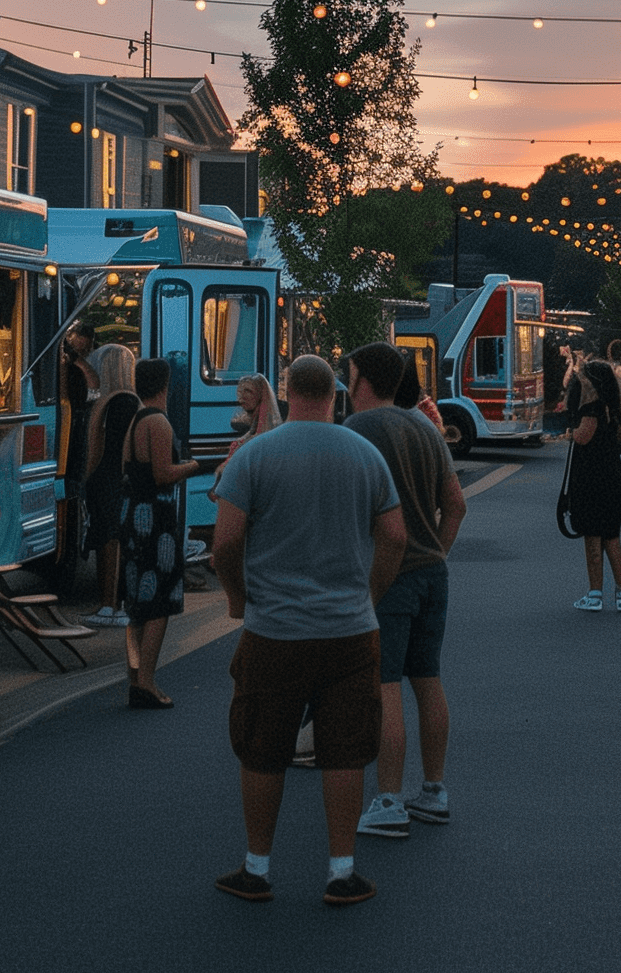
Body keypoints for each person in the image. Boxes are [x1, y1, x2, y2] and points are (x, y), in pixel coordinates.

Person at [210, 355, 406, 907]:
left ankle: (257, 868)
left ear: (288, 391)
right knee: (344, 751)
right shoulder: (364, 455)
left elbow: (225, 542)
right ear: (335, 394)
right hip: (349, 631)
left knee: (262, 747)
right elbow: (394, 534)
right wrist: (370, 594)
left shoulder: (254, 456)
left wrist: (237, 597)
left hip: (274, 629)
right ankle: (341, 870)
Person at [340, 343, 465, 839]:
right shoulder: (424, 428)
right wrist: (437, 550)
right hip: (432, 572)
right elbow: (455, 505)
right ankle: (433, 790)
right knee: (427, 679)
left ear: (365, 381)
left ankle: (388, 799)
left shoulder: (357, 432)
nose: (346, 388)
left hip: (387, 573)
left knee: (385, 684)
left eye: (350, 377)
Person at [119, 359, 204, 708]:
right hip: (155, 522)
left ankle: (135, 677)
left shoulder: (135, 420)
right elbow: (162, 474)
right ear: (166, 386)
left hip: (132, 518)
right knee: (157, 603)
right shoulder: (158, 422)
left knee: (136, 602)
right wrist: (194, 466)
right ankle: (148, 681)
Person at [564, 359, 621, 611]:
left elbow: (584, 435)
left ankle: (595, 594)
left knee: (593, 537)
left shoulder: (591, 406)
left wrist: (570, 433)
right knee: (612, 536)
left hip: (591, 478)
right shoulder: (614, 407)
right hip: (613, 476)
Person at [79, 342, 137, 627]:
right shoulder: (129, 401)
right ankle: (117, 604)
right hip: (120, 478)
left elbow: (95, 445)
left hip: (103, 477)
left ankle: (108, 604)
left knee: (105, 539)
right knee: (117, 539)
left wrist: (87, 475)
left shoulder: (104, 401)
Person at [228, 372, 278, 447]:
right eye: (240, 391)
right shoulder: (239, 424)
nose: (242, 396)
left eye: (248, 391)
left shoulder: (273, 429)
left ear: (261, 395)